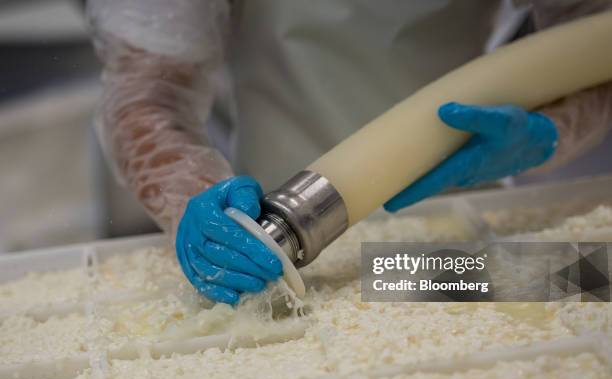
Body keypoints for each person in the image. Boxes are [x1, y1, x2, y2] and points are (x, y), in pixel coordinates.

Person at [87, 0, 612, 304]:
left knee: (578, 290)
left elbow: (592, 40)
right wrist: (190, 196)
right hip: (280, 234)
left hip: (454, 221)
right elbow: (146, 92)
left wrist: (552, 128)